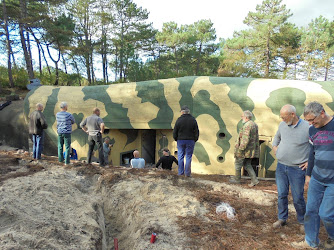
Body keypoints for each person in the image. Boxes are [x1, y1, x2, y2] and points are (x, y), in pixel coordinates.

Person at [292, 102, 334, 249]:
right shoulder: (312, 130)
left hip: (333, 181)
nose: (310, 123)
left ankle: (332, 238)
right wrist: (308, 176)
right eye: (308, 120)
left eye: (312, 120)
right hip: (317, 178)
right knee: (311, 211)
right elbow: (312, 154)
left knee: (326, 214)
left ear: (322, 113)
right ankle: (311, 242)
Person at [272, 104, 309, 229]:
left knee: (298, 197)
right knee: (281, 194)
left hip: (297, 169)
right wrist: (275, 147)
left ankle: (303, 221)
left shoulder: (307, 127)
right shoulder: (282, 125)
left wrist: (310, 161)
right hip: (281, 166)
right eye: (281, 117)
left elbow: (316, 146)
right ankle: (282, 218)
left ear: (293, 114)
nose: (282, 120)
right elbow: (276, 138)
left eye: (284, 117)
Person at [229, 110, 260, 187]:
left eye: (242, 116)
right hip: (250, 150)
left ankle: (237, 180)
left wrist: (240, 149)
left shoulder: (247, 125)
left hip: (244, 150)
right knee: (247, 164)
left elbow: (245, 139)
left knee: (238, 164)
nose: (241, 117)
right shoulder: (254, 124)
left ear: (246, 117)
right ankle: (254, 180)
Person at [173, 105, 199, 177]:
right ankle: (187, 174)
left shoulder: (179, 120)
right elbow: (196, 131)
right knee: (188, 157)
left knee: (180, 156)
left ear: (182, 112)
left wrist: (176, 139)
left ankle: (180, 173)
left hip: (180, 140)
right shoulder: (193, 119)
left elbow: (175, 131)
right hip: (190, 140)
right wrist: (194, 139)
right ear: (188, 112)